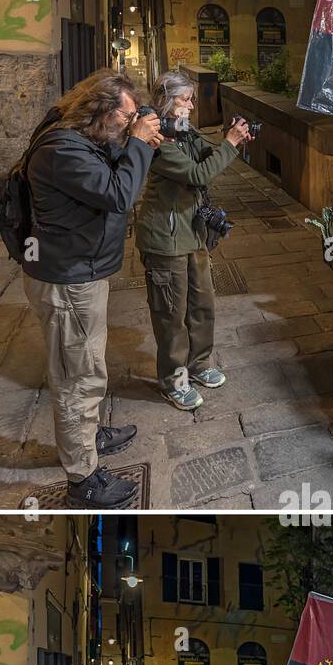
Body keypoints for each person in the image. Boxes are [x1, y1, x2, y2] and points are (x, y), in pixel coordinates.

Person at [22, 70, 162, 508]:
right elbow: (119, 194)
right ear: (100, 111)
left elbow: (111, 174)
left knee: (87, 366)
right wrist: (136, 143)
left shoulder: (79, 137)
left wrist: (134, 142)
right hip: (68, 281)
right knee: (76, 378)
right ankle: (83, 477)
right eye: (125, 117)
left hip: (79, 270)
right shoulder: (63, 150)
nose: (127, 123)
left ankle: (90, 434)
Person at [135, 72, 252, 411]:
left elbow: (207, 155)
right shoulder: (158, 142)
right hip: (165, 240)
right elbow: (198, 174)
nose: (190, 105)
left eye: (190, 99)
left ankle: (199, 365)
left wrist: (232, 138)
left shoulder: (184, 133)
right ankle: (174, 381)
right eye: (184, 99)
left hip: (193, 234)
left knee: (202, 305)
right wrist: (229, 144)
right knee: (171, 314)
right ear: (167, 102)